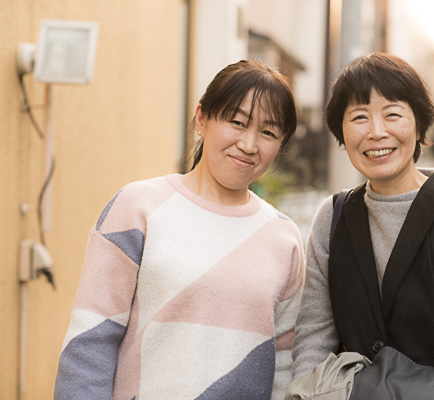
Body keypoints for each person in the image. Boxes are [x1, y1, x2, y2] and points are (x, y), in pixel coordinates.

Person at [54, 60, 305, 400]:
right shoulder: (138, 206)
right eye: (237, 122)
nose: (249, 144)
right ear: (202, 119)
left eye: (268, 132)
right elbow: (90, 340)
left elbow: (284, 364)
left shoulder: (284, 238)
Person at [291, 52, 434, 399]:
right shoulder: (332, 217)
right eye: (359, 117)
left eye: (393, 114)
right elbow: (313, 337)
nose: (376, 132)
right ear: (342, 133)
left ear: (418, 125)